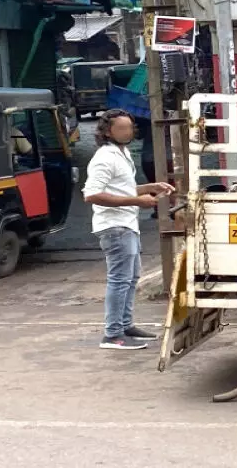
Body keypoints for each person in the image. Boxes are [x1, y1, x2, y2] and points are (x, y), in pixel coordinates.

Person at [83, 109, 175, 350]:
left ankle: (124, 325)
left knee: (130, 277)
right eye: (121, 128)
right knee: (120, 279)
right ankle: (113, 334)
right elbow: (92, 194)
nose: (128, 132)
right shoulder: (105, 157)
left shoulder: (121, 153)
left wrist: (148, 188)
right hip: (114, 227)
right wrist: (138, 201)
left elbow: (122, 189)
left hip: (126, 224)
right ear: (106, 131)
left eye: (130, 128)